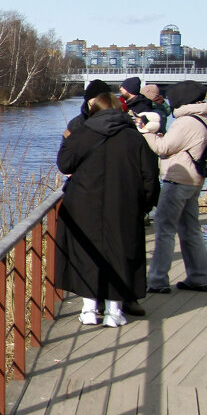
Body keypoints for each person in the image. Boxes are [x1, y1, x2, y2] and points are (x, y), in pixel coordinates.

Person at [57, 91, 160, 327]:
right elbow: (150, 176)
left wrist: (68, 137)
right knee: (121, 254)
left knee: (85, 254)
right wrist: (145, 205)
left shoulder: (81, 134)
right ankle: (115, 311)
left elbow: (64, 164)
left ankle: (89, 309)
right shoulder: (134, 138)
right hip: (123, 205)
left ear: (93, 111)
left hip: (82, 204)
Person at [140, 80, 207, 293]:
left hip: (177, 181)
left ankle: (157, 280)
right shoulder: (205, 119)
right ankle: (200, 276)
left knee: (164, 230)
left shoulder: (184, 122)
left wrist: (146, 131)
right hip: (195, 180)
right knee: (190, 229)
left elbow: (162, 148)